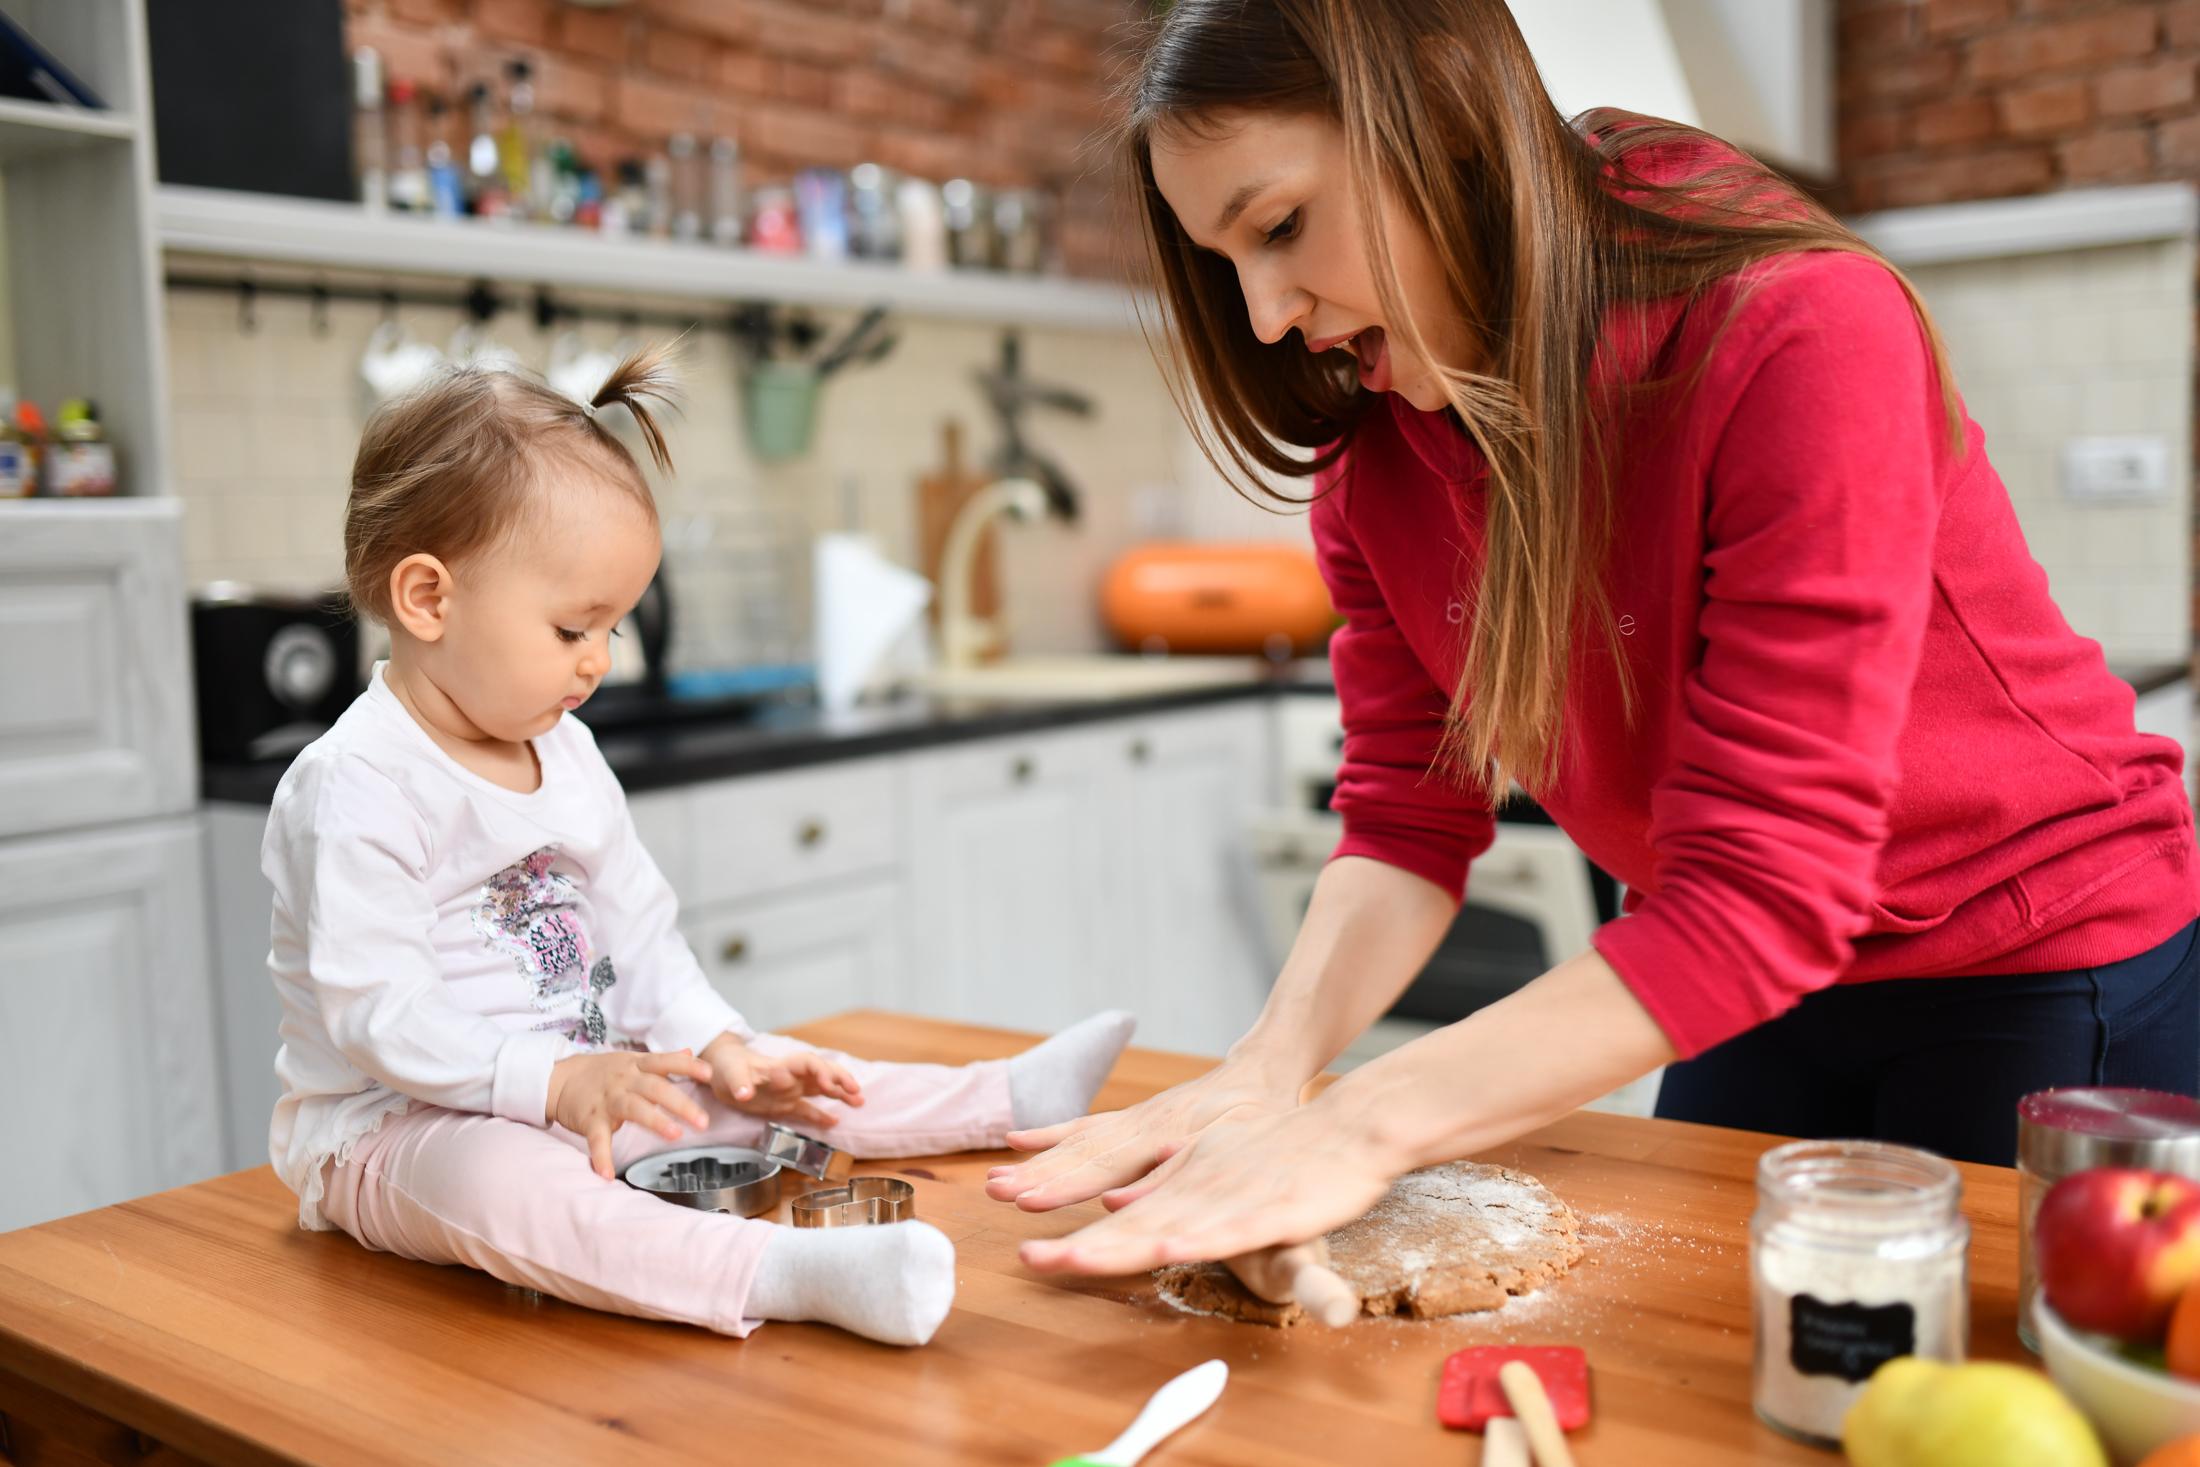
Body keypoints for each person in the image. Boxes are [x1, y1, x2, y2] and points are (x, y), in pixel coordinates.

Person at [992, 0, 2200, 1280]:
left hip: (2039, 965)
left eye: (1281, 227)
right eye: (1224, 261)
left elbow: (1767, 886)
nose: (1265, 315)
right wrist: (1267, 1072)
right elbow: (1409, 817)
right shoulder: (1377, 452)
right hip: (1745, 977)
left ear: (1449, 114)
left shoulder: (1795, 323)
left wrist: (1360, 1125)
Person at [265, 346, 1136, 1345]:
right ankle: (786, 1273)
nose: (600, 661)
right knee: (514, 1188)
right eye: (571, 628)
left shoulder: (568, 748)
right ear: (428, 599)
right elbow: (380, 1010)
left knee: (769, 1079)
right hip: (393, 1134)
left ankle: (1003, 1098)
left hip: (581, 1081)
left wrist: (720, 1045)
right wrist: (548, 1084)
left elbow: (640, 935)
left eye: (613, 627)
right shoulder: (358, 785)